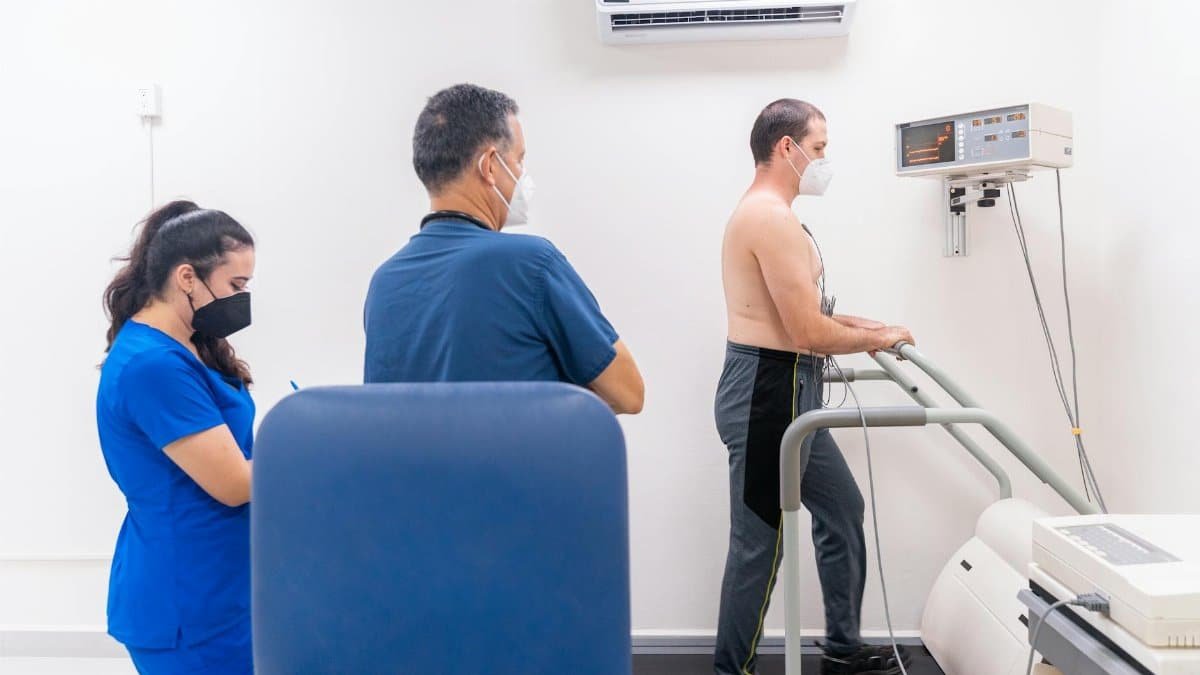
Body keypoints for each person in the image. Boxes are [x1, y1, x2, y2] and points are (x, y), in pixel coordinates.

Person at [714, 99, 916, 675]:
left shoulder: (777, 214)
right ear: (787, 147)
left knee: (842, 509)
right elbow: (805, 332)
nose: (824, 160)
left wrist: (874, 329)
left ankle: (843, 649)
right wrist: (873, 337)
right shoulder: (768, 218)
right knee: (759, 545)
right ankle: (730, 671)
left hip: (790, 390)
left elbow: (805, 314)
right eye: (819, 148)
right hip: (766, 393)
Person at [364, 83, 644, 414]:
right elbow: (628, 393)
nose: (523, 174)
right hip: (516, 450)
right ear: (490, 165)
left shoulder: (384, 283)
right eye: (519, 160)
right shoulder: (530, 263)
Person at [97, 201, 257, 674]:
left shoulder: (191, 346)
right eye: (236, 285)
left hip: (219, 584)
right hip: (187, 601)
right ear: (187, 277)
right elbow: (233, 483)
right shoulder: (153, 365)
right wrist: (310, 450)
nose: (242, 299)